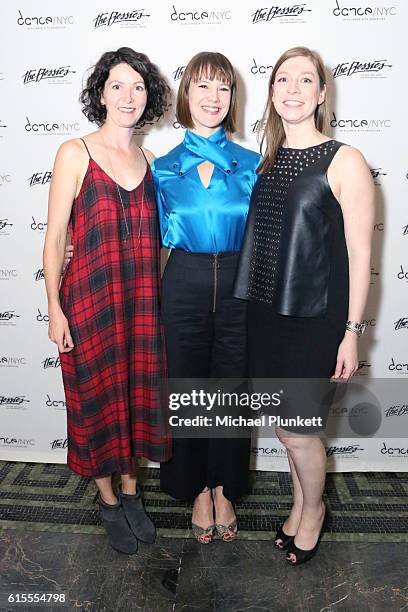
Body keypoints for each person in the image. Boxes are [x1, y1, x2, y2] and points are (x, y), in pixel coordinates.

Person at [234, 47, 374, 564]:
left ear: (320, 94)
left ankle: (314, 513)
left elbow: (361, 255)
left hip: (315, 323)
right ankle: (299, 505)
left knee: (299, 431)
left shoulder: (345, 159)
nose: (292, 89)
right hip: (267, 316)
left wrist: (352, 331)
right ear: (272, 93)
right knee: (287, 430)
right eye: (283, 80)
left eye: (305, 80)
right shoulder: (269, 161)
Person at [43, 47, 171, 555]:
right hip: (89, 303)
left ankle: (134, 493)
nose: (128, 96)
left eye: (138, 87)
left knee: (137, 400)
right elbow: (55, 238)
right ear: (101, 94)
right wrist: (54, 308)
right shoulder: (75, 153)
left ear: (148, 98)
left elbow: (164, 238)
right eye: (117, 85)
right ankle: (108, 500)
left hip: (141, 304)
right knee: (97, 404)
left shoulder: (154, 161)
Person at [152, 52, 261, 543]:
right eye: (202, 87)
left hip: (241, 283)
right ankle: (196, 488)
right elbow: (143, 234)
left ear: (232, 98)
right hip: (183, 282)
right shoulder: (162, 167)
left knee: (230, 392)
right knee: (189, 388)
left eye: (223, 88)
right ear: (186, 96)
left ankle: (224, 487)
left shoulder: (254, 163)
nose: (213, 98)